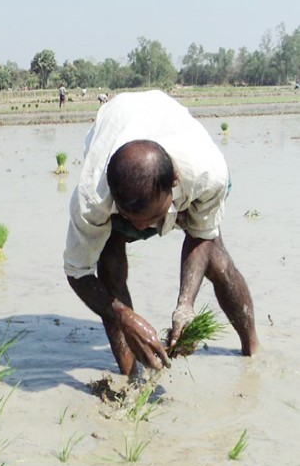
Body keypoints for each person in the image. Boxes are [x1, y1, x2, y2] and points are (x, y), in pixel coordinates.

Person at [64, 90, 258, 377]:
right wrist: (123, 315)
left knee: (215, 257)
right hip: (120, 136)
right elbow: (77, 273)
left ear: (175, 182)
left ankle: (252, 352)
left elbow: (201, 235)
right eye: (134, 221)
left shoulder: (207, 172)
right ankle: (131, 377)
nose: (143, 230)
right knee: (110, 261)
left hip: (182, 165)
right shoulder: (93, 199)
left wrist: (185, 305)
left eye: (153, 218)